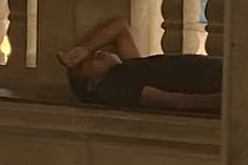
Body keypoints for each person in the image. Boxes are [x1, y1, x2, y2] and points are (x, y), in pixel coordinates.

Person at [61, 15, 222, 113]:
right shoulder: (114, 85)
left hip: (217, 72)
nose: (94, 54)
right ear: (93, 85)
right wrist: (221, 101)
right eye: (86, 63)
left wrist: (81, 49)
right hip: (216, 82)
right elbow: (169, 100)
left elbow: (120, 26)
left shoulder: (129, 68)